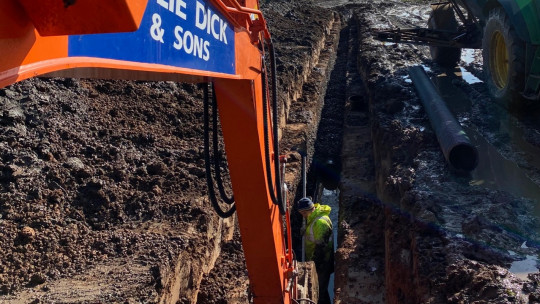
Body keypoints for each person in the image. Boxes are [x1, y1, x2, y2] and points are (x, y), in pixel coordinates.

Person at [297, 197, 333, 304]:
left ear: (307, 210)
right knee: (321, 287)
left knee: (319, 290)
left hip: (322, 262)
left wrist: (313, 264)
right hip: (317, 258)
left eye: (303, 213)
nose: (303, 216)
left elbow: (321, 248)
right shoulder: (313, 216)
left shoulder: (320, 223)